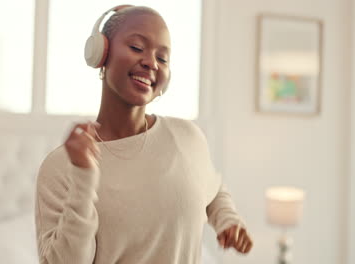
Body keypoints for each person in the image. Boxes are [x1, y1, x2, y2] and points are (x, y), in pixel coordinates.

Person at [35, 5, 253, 264]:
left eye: (162, 58)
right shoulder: (61, 167)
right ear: (101, 53)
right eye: (137, 48)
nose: (151, 62)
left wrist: (226, 219)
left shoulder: (188, 137)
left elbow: (213, 190)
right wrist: (83, 178)